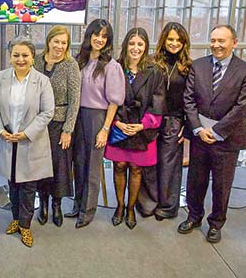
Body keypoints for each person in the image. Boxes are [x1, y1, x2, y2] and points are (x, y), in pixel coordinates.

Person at [179, 24, 246, 243]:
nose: (216, 45)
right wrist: (199, 129)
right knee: (195, 180)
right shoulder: (198, 65)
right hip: (199, 136)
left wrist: (216, 130)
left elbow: (242, 107)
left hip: (227, 138)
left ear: (234, 42)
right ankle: (194, 217)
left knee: (222, 185)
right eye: (213, 40)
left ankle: (216, 223)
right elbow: (189, 100)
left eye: (222, 40)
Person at [0, 36, 54, 247]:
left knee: (28, 186)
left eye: (25, 55)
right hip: (8, 139)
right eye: (16, 55)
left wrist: (27, 133)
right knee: (12, 183)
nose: (20, 59)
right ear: (10, 57)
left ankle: (25, 226)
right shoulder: (0, 77)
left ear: (32, 58)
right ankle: (15, 219)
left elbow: (47, 112)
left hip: (30, 141)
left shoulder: (42, 81)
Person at [65, 19, 125, 228]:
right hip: (76, 116)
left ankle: (87, 211)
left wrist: (105, 129)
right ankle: (77, 204)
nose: (99, 39)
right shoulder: (78, 60)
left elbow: (114, 101)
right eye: (96, 35)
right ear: (89, 35)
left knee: (92, 166)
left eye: (104, 36)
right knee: (78, 163)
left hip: (98, 117)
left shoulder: (111, 66)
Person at [104, 27, 165, 230]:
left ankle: (131, 208)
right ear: (125, 45)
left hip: (142, 128)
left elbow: (158, 102)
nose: (135, 48)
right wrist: (117, 123)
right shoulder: (115, 67)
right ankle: (120, 206)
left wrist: (142, 125)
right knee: (119, 166)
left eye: (140, 44)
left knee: (137, 169)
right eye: (132, 43)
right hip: (119, 124)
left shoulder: (154, 72)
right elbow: (107, 97)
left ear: (146, 46)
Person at [136, 22, 192, 220]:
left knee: (169, 166)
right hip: (151, 118)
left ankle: (167, 206)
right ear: (163, 40)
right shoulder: (151, 62)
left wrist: (187, 127)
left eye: (178, 40)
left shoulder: (188, 67)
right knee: (148, 163)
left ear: (184, 42)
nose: (174, 43)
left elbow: (192, 99)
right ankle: (147, 204)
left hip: (174, 120)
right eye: (170, 39)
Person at [34, 26, 80, 227]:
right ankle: (42, 203)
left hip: (60, 125)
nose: (60, 46)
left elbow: (75, 100)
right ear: (49, 41)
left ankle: (56, 205)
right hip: (37, 124)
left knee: (59, 167)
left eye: (64, 43)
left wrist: (68, 130)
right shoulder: (36, 60)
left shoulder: (71, 65)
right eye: (57, 41)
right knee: (40, 166)